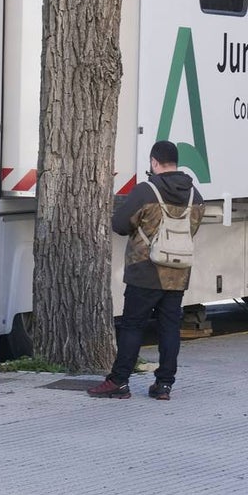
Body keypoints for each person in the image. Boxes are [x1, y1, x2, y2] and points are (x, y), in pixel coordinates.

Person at [89, 140, 205, 400]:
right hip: (178, 273)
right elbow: (192, 229)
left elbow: (119, 224)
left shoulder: (146, 190)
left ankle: (118, 382)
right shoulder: (194, 195)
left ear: (154, 162)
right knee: (169, 328)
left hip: (145, 270)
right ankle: (164, 385)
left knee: (132, 326)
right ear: (176, 162)